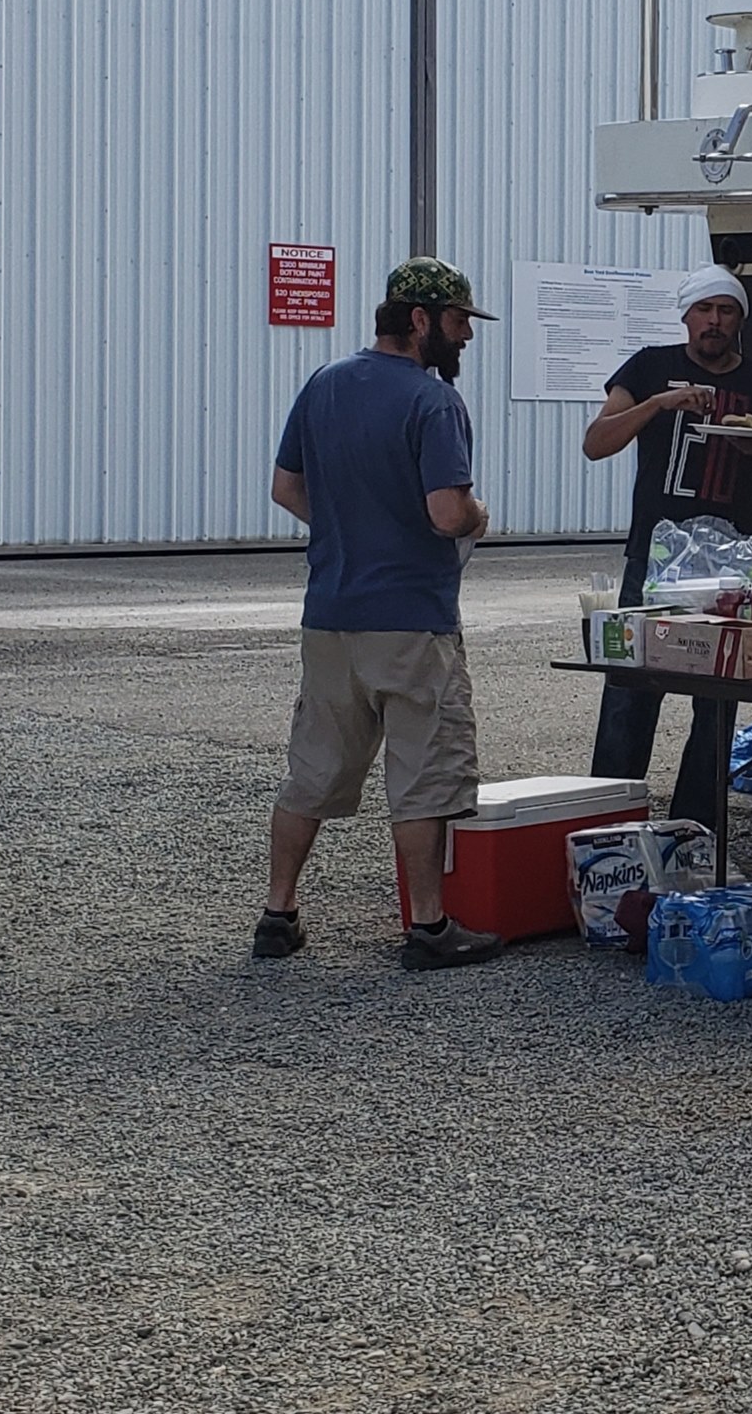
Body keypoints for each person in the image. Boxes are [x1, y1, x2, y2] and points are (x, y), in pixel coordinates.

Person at [257, 257, 505, 971]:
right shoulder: (433, 401)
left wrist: (348, 531)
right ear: (421, 320)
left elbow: (285, 488)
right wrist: (479, 516)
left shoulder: (325, 383)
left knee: (312, 770)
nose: (466, 336)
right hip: (411, 619)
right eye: (458, 321)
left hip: (331, 614)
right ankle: (428, 927)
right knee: (424, 774)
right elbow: (447, 512)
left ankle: (277, 913)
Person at [584, 264, 752, 825]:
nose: (714, 321)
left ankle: (696, 829)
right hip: (655, 558)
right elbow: (596, 442)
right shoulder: (650, 367)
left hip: (733, 564)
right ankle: (607, 823)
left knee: (718, 702)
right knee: (631, 691)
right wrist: (658, 404)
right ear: (685, 316)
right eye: (704, 310)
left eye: (726, 311)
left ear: (740, 320)